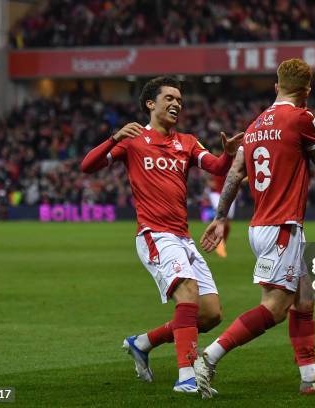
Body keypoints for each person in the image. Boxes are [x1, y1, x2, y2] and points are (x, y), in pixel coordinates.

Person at [194, 59, 315, 398]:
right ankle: (209, 357)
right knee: (275, 308)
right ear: (307, 90)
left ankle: (310, 378)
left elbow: (235, 174)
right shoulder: (302, 118)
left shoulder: (254, 126)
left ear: (275, 85)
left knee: (305, 300)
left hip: (263, 224)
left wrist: (221, 217)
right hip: (283, 228)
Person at [80, 76, 243, 393]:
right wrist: (113, 138)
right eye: (169, 98)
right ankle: (187, 378)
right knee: (188, 293)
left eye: (180, 100)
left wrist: (228, 154)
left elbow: (216, 167)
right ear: (150, 103)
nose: (176, 104)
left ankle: (142, 342)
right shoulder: (133, 140)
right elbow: (88, 166)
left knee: (210, 314)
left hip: (183, 237)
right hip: (155, 234)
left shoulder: (187, 142)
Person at [206, 174, 236, 257]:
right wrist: (208, 181)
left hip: (230, 193)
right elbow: (206, 172)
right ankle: (219, 245)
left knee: (228, 224)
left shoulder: (235, 162)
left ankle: (222, 243)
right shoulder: (216, 161)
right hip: (216, 193)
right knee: (221, 218)